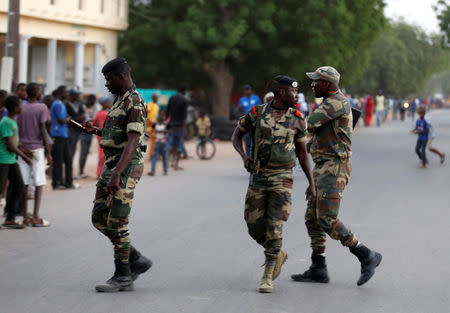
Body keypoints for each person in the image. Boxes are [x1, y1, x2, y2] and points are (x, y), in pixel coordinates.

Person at [291, 66, 382, 286]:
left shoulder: (335, 102)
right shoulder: (330, 103)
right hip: (324, 167)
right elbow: (317, 134)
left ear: (329, 84)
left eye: (316, 81)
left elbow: (309, 123)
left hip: (335, 168)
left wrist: (288, 115)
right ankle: (318, 267)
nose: (312, 85)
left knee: (326, 218)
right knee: (312, 218)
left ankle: (365, 254)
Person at [232, 75, 315, 293]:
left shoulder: (298, 117)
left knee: (274, 227)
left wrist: (311, 183)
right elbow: (236, 135)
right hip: (258, 177)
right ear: (280, 93)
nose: (296, 96)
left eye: (297, 92)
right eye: (293, 92)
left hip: (283, 179)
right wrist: (244, 157)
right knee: (253, 225)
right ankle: (277, 253)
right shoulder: (257, 113)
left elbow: (303, 153)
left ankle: (268, 275)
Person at [77, 57, 152, 292]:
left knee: (117, 222)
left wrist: (117, 174)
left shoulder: (135, 101)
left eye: (109, 79)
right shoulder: (119, 99)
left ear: (121, 76)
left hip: (125, 167)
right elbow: (117, 134)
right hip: (112, 164)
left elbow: (133, 141)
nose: (107, 84)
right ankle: (135, 259)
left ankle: (123, 276)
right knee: (98, 218)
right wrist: (95, 130)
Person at [16, 83, 52, 227]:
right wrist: (49, 152)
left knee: (24, 182)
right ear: (37, 93)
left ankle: (25, 216)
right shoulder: (42, 107)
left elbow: (16, 128)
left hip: (22, 149)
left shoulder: (21, 107)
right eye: (40, 90)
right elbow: (43, 130)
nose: (41, 92)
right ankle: (36, 216)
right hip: (37, 149)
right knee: (38, 182)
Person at [0, 96, 32, 228]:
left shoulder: (12, 121)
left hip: (11, 159)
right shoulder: (6, 122)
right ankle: (10, 217)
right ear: (14, 107)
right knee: (1, 189)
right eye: (20, 105)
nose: (22, 107)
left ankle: (10, 218)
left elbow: (13, 143)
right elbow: (9, 145)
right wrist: (24, 156)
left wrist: (23, 150)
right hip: (3, 160)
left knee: (18, 185)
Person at [50, 85, 73, 190]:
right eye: (66, 92)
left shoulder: (62, 104)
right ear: (61, 93)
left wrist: (67, 118)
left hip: (64, 135)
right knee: (58, 161)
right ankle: (56, 182)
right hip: (58, 135)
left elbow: (65, 118)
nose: (68, 94)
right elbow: (62, 120)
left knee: (68, 159)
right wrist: (68, 119)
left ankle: (68, 182)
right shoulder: (58, 104)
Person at [166, 85, 188, 170]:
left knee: (171, 144)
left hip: (172, 125)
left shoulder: (172, 98)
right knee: (179, 145)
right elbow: (185, 116)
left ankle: (167, 163)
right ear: (184, 92)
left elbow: (167, 111)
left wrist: (167, 123)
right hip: (180, 126)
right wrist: (184, 127)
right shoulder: (185, 100)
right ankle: (176, 165)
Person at [238, 84, 262, 157]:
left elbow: (260, 108)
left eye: (248, 89)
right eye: (246, 90)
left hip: (255, 121)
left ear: (251, 90)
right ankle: (248, 155)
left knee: (256, 137)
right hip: (246, 122)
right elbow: (238, 110)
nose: (247, 91)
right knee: (247, 139)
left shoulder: (256, 98)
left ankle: (256, 154)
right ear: (244, 91)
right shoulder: (242, 100)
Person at [78, 94, 96, 178]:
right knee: (83, 152)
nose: (91, 102)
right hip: (83, 132)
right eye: (90, 100)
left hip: (90, 132)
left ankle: (82, 171)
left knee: (85, 152)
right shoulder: (82, 107)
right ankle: (81, 171)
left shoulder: (95, 107)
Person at [92, 97, 111, 178]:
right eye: (108, 102)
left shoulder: (99, 113)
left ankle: (100, 173)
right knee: (104, 156)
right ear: (104, 104)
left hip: (100, 136)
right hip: (106, 136)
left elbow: (94, 123)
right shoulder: (105, 113)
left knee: (102, 155)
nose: (110, 103)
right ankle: (101, 174)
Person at [148, 110, 168, 176]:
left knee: (164, 157)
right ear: (158, 115)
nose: (161, 116)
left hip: (163, 142)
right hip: (156, 142)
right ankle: (153, 170)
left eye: (163, 115)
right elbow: (151, 130)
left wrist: (163, 131)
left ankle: (165, 170)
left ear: (164, 116)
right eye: (160, 115)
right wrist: (155, 131)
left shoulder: (166, 123)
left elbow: (169, 131)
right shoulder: (155, 123)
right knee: (154, 157)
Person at [146, 93, 159, 160]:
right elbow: (146, 114)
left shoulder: (156, 106)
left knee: (156, 140)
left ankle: (155, 154)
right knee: (153, 140)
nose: (157, 99)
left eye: (157, 97)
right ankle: (152, 155)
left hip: (155, 125)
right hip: (150, 126)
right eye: (156, 97)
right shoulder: (149, 105)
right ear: (153, 97)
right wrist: (149, 120)